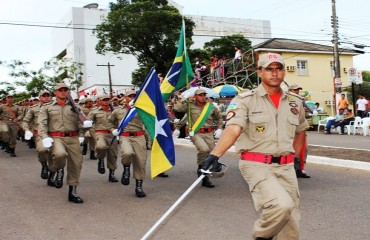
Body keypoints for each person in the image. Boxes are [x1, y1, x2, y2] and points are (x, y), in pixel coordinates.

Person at [201, 53, 309, 240]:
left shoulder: (295, 101)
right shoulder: (245, 100)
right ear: (260, 72)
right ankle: (262, 236)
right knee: (281, 205)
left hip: (286, 166)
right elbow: (234, 128)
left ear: (283, 72)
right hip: (257, 164)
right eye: (269, 69)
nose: (274, 73)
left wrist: (298, 159)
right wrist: (215, 155)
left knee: (290, 222)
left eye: (278, 68)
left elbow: (301, 131)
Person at [38, 82, 92, 203]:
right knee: (59, 154)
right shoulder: (47, 107)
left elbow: (81, 123)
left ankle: (72, 191)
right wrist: (44, 136)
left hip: (73, 138)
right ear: (55, 92)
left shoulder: (75, 107)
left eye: (65, 90)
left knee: (76, 164)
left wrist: (86, 125)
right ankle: (60, 170)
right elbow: (41, 123)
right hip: (56, 137)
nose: (63, 92)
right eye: (60, 90)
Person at [173, 88, 224, 188]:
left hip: (209, 133)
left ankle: (202, 171)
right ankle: (203, 173)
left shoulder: (211, 107)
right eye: (200, 95)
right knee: (204, 149)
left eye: (204, 95)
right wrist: (184, 98)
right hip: (196, 133)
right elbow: (177, 109)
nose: (203, 97)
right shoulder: (189, 106)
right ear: (195, 96)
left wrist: (219, 129)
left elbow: (219, 118)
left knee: (212, 153)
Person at [110, 89, 148, 197]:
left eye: (134, 96)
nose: (132, 98)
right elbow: (109, 122)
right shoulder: (118, 111)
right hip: (125, 136)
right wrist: (113, 130)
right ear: (125, 98)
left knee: (141, 162)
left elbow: (150, 120)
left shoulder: (141, 110)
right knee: (127, 153)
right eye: (130, 96)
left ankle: (139, 187)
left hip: (139, 136)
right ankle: (126, 168)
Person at [87, 94, 119, 182]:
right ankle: (100, 159)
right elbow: (88, 122)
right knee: (100, 147)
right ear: (100, 101)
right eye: (104, 100)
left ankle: (111, 174)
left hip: (112, 134)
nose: (106, 101)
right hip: (100, 133)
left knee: (113, 155)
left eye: (108, 99)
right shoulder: (94, 111)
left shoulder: (115, 111)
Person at [22, 90, 52, 180]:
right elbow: (25, 121)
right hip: (40, 134)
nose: (46, 97)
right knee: (42, 150)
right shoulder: (33, 109)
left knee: (56, 156)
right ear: (40, 98)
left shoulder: (56, 107)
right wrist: (27, 130)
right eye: (44, 96)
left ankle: (53, 175)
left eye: (48, 95)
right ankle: (44, 165)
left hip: (54, 134)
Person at [288, 84, 310, 178]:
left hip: (300, 127)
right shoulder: (285, 100)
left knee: (304, 149)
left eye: (298, 90)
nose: (297, 91)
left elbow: (303, 115)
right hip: (289, 128)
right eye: (295, 90)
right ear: (290, 90)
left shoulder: (299, 100)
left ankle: (300, 168)